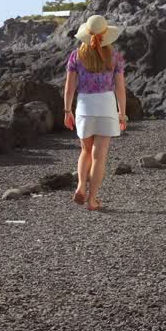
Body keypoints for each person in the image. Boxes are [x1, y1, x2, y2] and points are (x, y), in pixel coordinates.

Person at [62, 14, 127, 211]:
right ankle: (92, 199)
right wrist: (122, 113)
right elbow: (120, 88)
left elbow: (69, 87)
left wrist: (67, 110)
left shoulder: (76, 56)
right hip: (107, 106)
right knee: (99, 156)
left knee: (85, 151)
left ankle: (81, 186)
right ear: (106, 35)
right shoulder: (115, 57)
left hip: (84, 106)